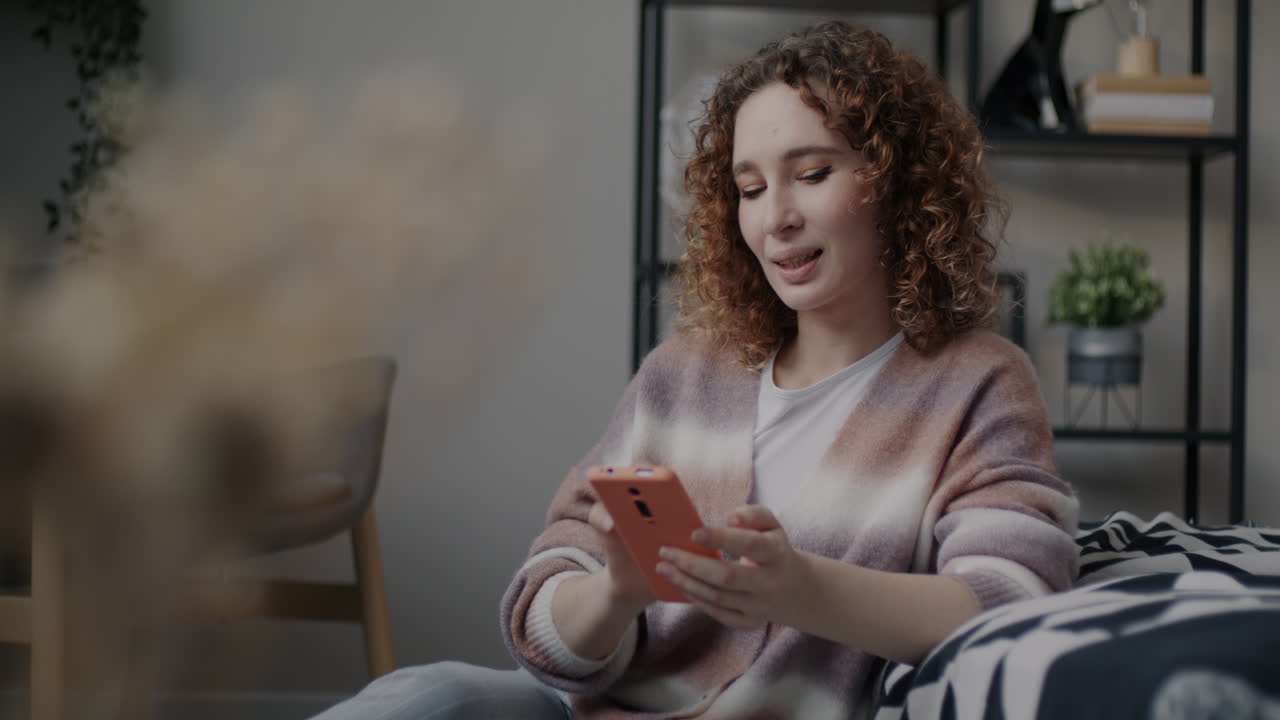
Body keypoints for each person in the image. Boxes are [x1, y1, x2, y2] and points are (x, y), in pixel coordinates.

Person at [311, 20, 1079, 720]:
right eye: (749, 188)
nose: (774, 217)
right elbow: (543, 625)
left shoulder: (977, 383)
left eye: (811, 174)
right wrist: (616, 592)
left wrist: (798, 589)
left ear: (897, 183)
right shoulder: (682, 377)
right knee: (427, 696)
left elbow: (1009, 606)